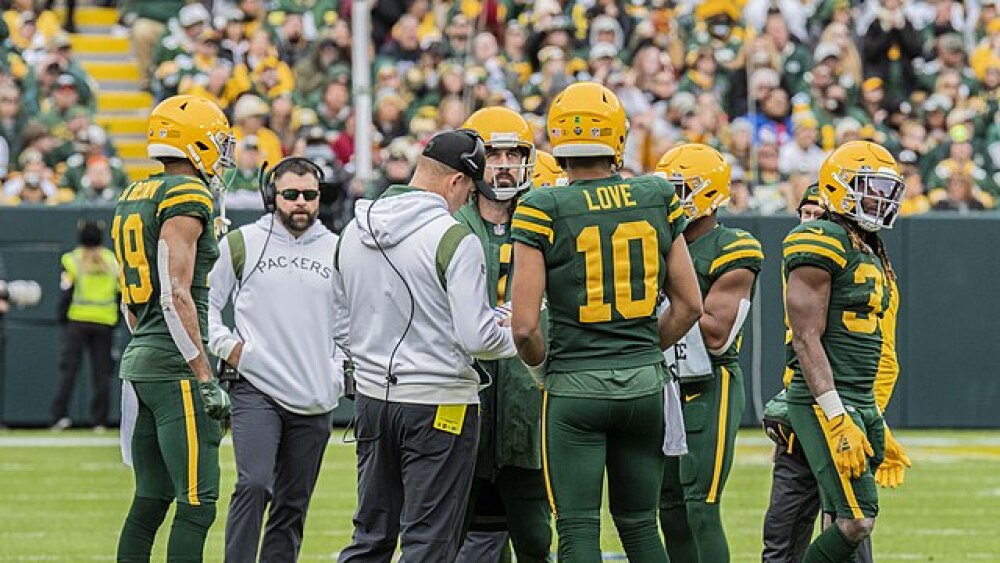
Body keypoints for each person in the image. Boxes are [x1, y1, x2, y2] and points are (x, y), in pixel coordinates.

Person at [510, 82, 703, 562]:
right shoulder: (656, 193)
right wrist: (639, 349)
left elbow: (525, 328)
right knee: (640, 528)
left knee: (577, 532)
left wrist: (541, 371)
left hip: (575, 389)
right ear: (617, 138)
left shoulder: (542, 206)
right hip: (643, 386)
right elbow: (690, 305)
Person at [333, 129, 519, 563]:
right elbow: (479, 338)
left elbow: (340, 326)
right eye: (470, 189)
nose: (467, 201)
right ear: (457, 182)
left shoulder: (352, 230)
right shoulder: (455, 238)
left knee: (370, 537)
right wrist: (519, 336)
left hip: (372, 398)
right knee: (429, 541)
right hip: (441, 402)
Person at [114, 94, 234, 562]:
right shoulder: (186, 194)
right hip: (174, 369)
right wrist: (204, 375)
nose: (223, 154)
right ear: (196, 142)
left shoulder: (135, 193)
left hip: (141, 363)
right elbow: (174, 292)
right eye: (217, 142)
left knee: (150, 501)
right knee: (197, 506)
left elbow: (130, 302)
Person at [762, 184, 911, 563]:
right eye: (805, 213)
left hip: (845, 416)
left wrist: (861, 416)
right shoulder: (804, 262)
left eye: (819, 214)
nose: (811, 223)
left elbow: (883, 356)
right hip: (803, 419)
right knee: (782, 538)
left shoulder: (867, 270)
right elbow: (803, 345)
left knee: (851, 528)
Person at [208, 156, 344, 562]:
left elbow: (351, 321)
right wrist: (229, 347)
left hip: (315, 392)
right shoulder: (241, 242)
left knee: (292, 503)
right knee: (253, 484)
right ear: (272, 195)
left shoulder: (339, 250)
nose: (300, 202)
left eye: (309, 195)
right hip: (255, 386)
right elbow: (205, 305)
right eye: (290, 194)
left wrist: (337, 372)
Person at [654, 144, 764, 563]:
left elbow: (716, 333)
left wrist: (659, 303)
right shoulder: (654, 241)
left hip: (708, 383)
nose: (670, 199)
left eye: (680, 189)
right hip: (662, 383)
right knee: (669, 508)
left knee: (700, 503)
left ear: (708, 192)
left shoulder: (733, 245)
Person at [454, 107, 551, 563]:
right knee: (446, 538)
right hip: (457, 405)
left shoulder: (546, 222)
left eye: (515, 154)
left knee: (535, 537)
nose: (506, 164)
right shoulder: (449, 224)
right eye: (494, 154)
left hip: (527, 407)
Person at [50, 220, 120, 431]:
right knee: (101, 373)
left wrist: (62, 317)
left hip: (77, 321)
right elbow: (120, 293)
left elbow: (66, 291)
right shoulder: (112, 261)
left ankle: (60, 416)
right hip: (104, 321)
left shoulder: (71, 259)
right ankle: (99, 420)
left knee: (68, 370)